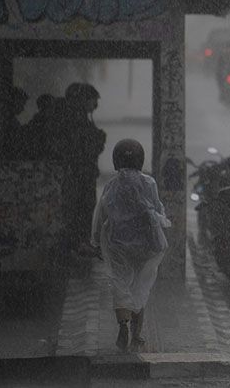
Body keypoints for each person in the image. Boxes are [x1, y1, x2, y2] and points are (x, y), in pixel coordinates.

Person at [91, 139, 171, 352]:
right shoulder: (149, 183)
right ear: (140, 159)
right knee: (140, 286)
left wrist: (96, 241)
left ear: (116, 160)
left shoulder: (112, 184)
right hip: (145, 245)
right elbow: (157, 209)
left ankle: (123, 325)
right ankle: (137, 335)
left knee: (120, 284)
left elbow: (101, 215)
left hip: (117, 244)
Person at [60, 83, 106, 252]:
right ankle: (78, 242)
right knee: (81, 207)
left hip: (83, 173)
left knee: (84, 207)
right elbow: (81, 147)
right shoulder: (76, 119)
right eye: (93, 100)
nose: (95, 104)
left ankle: (79, 241)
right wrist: (98, 139)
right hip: (79, 173)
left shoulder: (81, 118)